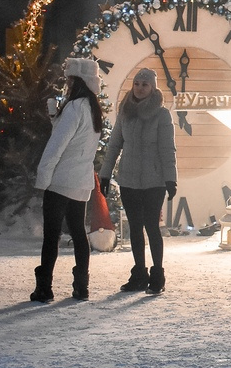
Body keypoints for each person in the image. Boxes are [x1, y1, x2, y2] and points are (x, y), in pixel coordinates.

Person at [99, 67, 177, 294]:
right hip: (129, 179)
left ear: (153, 88)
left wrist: (170, 179)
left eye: (145, 84)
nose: (140, 88)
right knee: (134, 227)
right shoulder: (126, 112)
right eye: (137, 84)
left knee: (152, 227)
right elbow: (114, 145)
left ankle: (157, 274)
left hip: (154, 181)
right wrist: (105, 173)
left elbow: (167, 149)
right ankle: (139, 273)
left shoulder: (162, 114)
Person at [31, 58, 103, 302]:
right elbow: (78, 140)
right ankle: (81, 286)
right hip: (81, 181)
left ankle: (44, 288)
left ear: (78, 81)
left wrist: (43, 176)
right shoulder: (93, 108)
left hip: (61, 180)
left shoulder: (74, 107)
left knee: (51, 235)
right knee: (79, 233)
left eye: (70, 79)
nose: (67, 84)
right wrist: (56, 117)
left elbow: (58, 145)